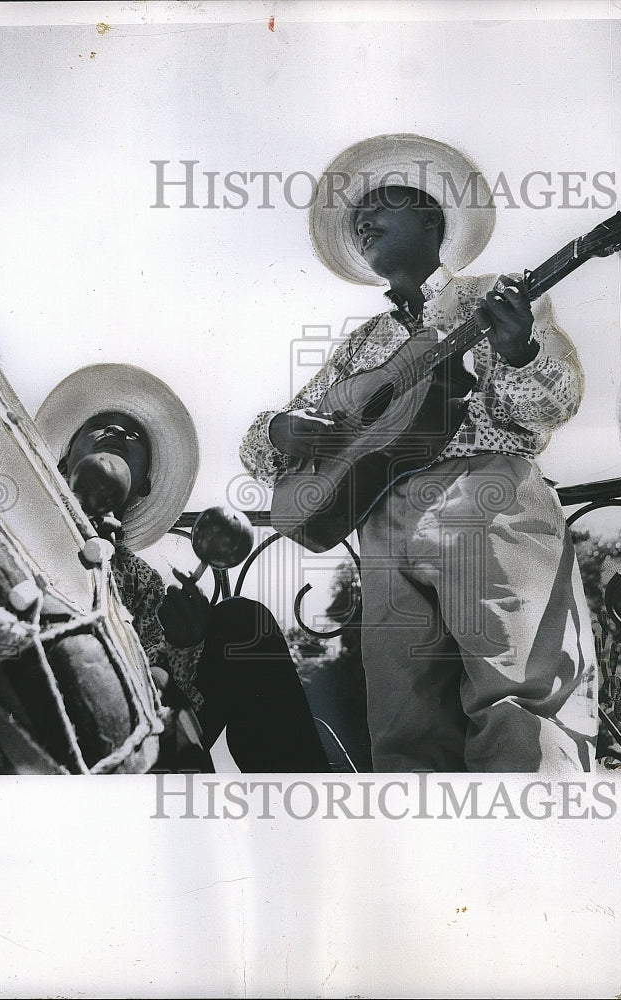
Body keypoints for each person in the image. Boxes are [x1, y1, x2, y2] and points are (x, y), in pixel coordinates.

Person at [240, 134, 598, 773]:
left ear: (432, 218)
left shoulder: (500, 296)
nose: (361, 219)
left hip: (488, 499)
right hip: (382, 523)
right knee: (404, 731)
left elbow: (559, 401)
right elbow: (271, 451)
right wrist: (278, 432)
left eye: (381, 200)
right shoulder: (362, 343)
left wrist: (518, 352)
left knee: (518, 703)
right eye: (355, 215)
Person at [36, 364, 331, 773]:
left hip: (137, 727)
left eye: (135, 435)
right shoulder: (23, 532)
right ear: (64, 464)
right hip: (34, 705)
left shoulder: (142, 580)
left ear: (143, 486)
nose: (120, 435)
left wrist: (186, 642)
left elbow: (166, 687)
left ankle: (299, 805)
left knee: (242, 621)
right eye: (102, 425)